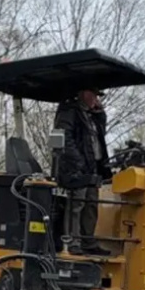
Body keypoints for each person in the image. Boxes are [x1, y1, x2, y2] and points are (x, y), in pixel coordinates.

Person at [53, 88, 111, 256]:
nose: (95, 99)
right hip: (75, 169)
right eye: (93, 95)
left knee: (91, 204)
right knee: (77, 203)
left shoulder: (91, 116)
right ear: (83, 93)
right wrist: (78, 162)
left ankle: (88, 241)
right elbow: (65, 138)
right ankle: (73, 241)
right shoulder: (69, 111)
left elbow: (100, 134)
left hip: (92, 167)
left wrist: (100, 112)